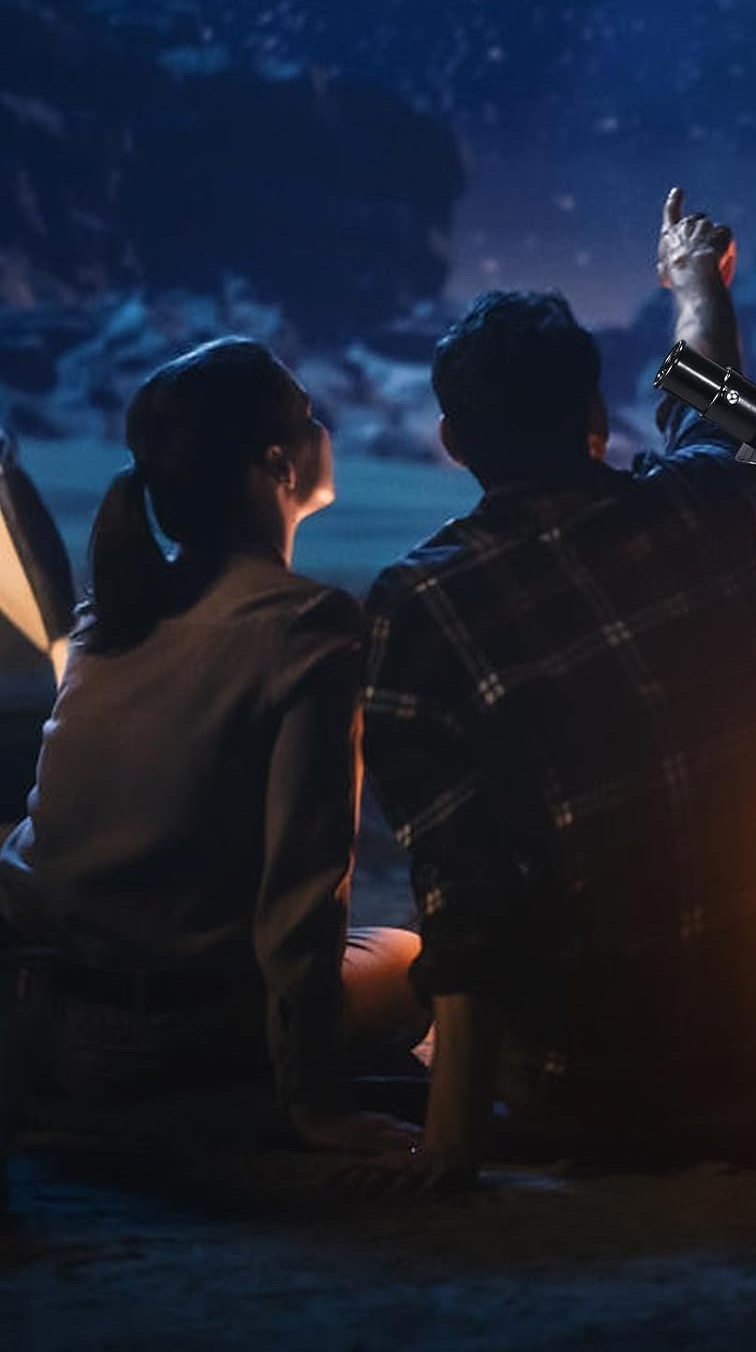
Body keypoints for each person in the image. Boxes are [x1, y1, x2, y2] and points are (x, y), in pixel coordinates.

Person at [362, 189, 756, 1186]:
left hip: (589, 1090)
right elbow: (712, 399)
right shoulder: (704, 511)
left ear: (455, 443)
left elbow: (464, 898)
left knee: (382, 972)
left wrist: (449, 1149)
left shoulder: (417, 604)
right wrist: (695, 282)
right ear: (594, 419)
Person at [0, 339, 426, 1154]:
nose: (325, 429)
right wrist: (313, 1103)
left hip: (44, 1014)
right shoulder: (310, 630)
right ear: (279, 463)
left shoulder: (111, 615)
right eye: (310, 417)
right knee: (411, 958)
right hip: (169, 1032)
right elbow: (304, 892)